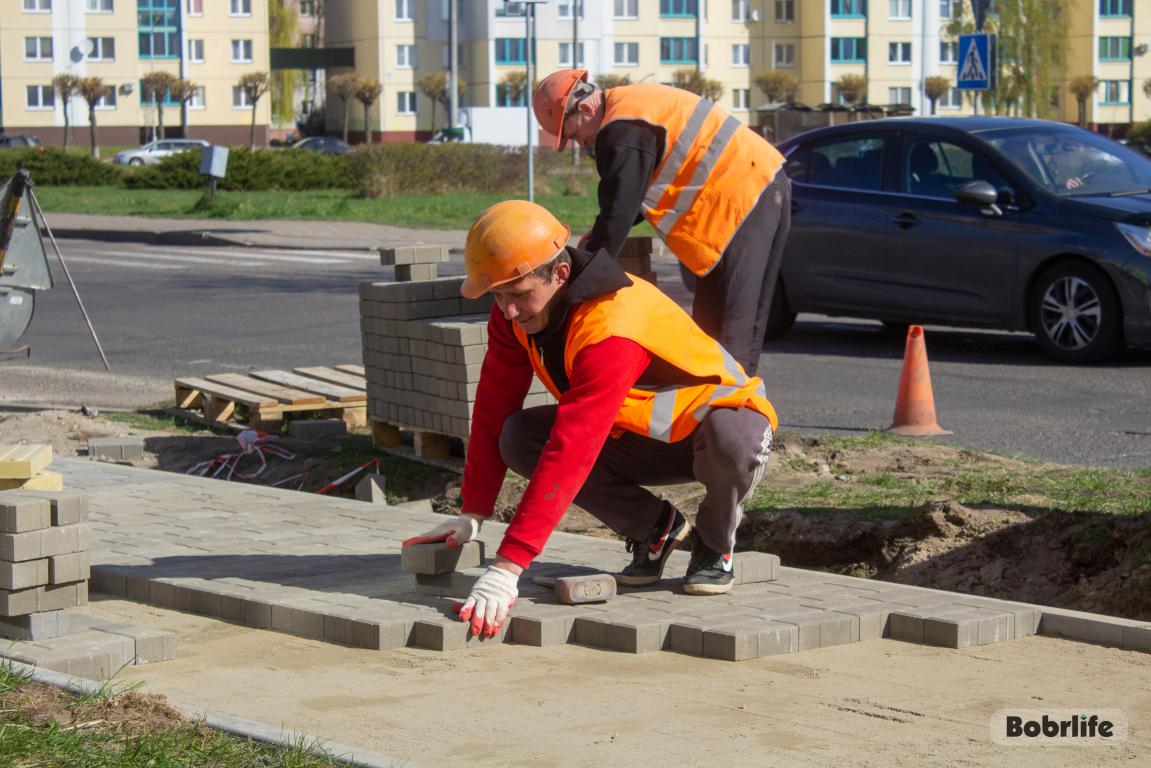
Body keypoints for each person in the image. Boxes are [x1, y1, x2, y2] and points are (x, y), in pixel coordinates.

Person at [402, 200, 778, 639]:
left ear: (560, 274)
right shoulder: (514, 315)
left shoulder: (612, 325)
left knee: (733, 439)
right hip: (638, 435)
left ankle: (715, 547)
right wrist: (473, 512)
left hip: (720, 434)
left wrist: (508, 567)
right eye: (497, 295)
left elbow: (573, 446)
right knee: (519, 436)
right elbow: (492, 407)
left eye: (519, 293)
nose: (507, 310)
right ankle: (655, 531)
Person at [531, 69, 791, 377]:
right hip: (758, 189)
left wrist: (578, 287)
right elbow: (633, 195)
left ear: (585, 108)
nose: (580, 143)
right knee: (717, 321)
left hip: (745, 197)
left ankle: (737, 413)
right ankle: (718, 407)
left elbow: (617, 214)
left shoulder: (620, 130)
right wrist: (602, 236)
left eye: (574, 134)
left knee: (733, 323)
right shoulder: (631, 109)